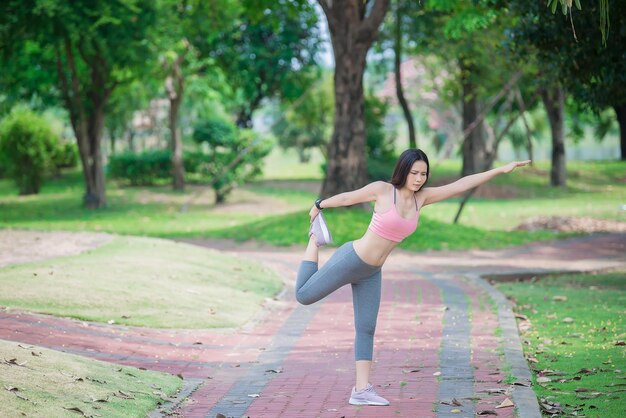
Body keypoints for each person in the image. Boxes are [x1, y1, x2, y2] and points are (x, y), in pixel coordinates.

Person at [295, 148, 531, 406]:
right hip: (351, 259)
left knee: (367, 328)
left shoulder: (422, 198)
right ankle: (314, 240)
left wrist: (500, 170)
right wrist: (319, 205)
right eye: (414, 173)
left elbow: (461, 184)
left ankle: (361, 390)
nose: (419, 179)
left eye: (424, 174)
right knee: (304, 296)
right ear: (403, 171)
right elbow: (346, 199)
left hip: (372, 271)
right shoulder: (384, 191)